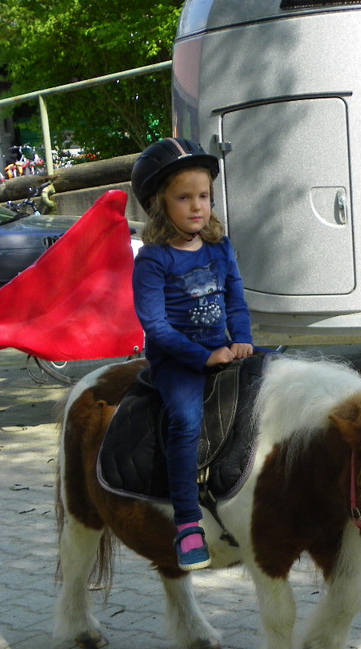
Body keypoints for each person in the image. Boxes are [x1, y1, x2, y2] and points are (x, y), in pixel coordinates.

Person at [130, 138, 255, 571]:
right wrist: (202, 358)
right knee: (185, 421)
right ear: (159, 205)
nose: (197, 206)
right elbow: (156, 326)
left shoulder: (220, 248)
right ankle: (187, 523)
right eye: (184, 198)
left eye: (203, 195)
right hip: (177, 360)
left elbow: (236, 301)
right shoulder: (153, 260)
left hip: (223, 348)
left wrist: (242, 339)